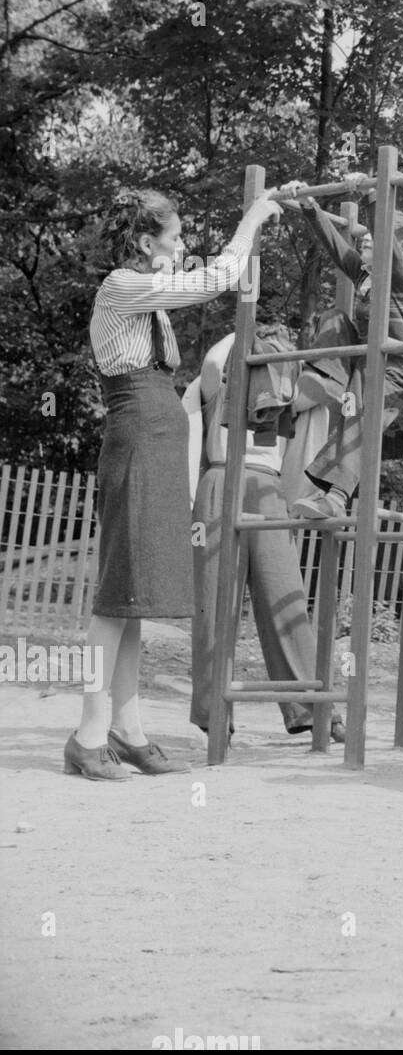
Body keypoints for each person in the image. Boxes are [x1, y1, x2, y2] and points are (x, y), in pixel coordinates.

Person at [68, 186, 280, 780]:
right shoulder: (121, 286)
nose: (183, 245)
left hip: (159, 435)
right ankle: (87, 733)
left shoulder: (150, 301)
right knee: (115, 598)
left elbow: (212, 283)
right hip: (136, 432)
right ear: (144, 242)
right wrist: (252, 219)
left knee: (136, 598)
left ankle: (127, 728)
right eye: (176, 236)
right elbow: (212, 279)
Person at [189, 328, 345, 744]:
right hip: (222, 479)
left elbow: (330, 380)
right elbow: (211, 363)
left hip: (268, 487)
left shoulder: (290, 391)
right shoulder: (222, 384)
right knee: (213, 600)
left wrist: (287, 357)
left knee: (285, 595)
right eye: (264, 353)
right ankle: (212, 711)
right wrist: (245, 329)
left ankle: (312, 706)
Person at [291, 197, 403, 518]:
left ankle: (335, 497)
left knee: (359, 424)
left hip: (397, 367)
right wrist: (309, 206)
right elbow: (335, 246)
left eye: (375, 233)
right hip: (368, 358)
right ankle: (328, 380)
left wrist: (371, 196)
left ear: (400, 247)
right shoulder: (365, 275)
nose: (365, 236)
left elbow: (384, 243)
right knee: (336, 316)